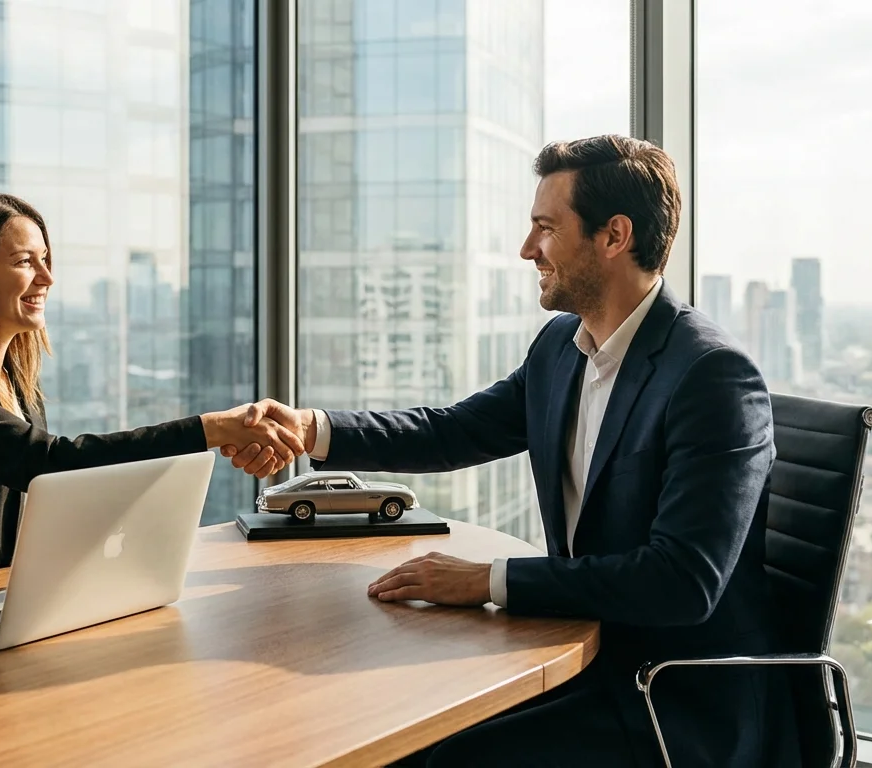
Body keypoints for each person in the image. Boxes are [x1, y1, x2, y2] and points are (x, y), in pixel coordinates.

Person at [223, 136, 797, 767]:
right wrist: (311, 429)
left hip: (674, 705)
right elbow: (453, 430)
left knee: (430, 757)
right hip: (586, 660)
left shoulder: (709, 376)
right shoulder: (561, 348)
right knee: (394, 725)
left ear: (614, 236)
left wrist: (487, 581)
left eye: (545, 228)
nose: (528, 250)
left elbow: (681, 582)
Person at [0, 191, 300, 601]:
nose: (47, 279)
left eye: (46, 260)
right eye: (24, 261)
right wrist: (209, 429)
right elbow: (48, 466)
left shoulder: (13, 380)